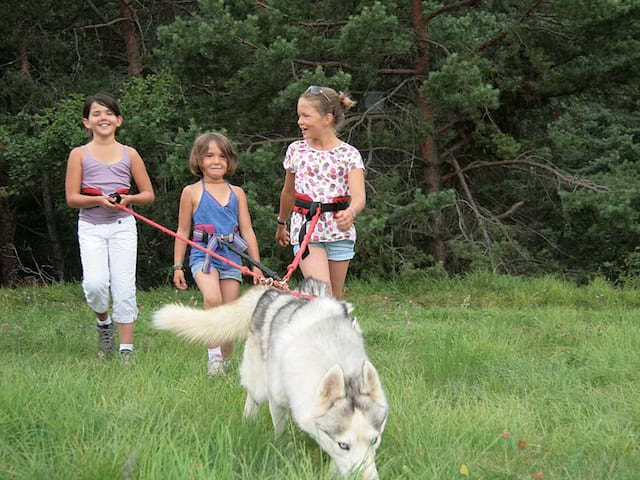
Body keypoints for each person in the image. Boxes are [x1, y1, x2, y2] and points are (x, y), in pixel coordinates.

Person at [65, 93, 155, 357]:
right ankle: (104, 323)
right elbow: (72, 198)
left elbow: (148, 194)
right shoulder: (79, 154)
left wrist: (128, 198)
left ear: (118, 120)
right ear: (86, 122)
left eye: (108, 113)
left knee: (124, 288)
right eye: (96, 114)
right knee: (95, 285)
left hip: (122, 226)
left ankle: (126, 349)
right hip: (91, 227)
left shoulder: (130, 154)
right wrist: (98, 201)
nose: (102, 118)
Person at [172, 132, 261, 376]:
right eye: (209, 155)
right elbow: (182, 230)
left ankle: (227, 360)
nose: (216, 161)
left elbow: (247, 230)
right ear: (199, 160)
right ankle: (214, 359)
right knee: (212, 299)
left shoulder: (237, 193)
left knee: (230, 311)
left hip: (231, 257)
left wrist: (256, 265)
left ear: (229, 160)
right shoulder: (191, 192)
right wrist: (178, 266)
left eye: (222, 156)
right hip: (204, 256)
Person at [276, 85, 365, 300]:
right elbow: (288, 192)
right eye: (299, 115)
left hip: (338, 232)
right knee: (321, 296)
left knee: (334, 298)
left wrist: (351, 212)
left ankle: (335, 333)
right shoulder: (296, 150)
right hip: (306, 231)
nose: (300, 121)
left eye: (306, 116)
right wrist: (281, 223)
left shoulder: (348, 154)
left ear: (327, 118)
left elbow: (359, 196)